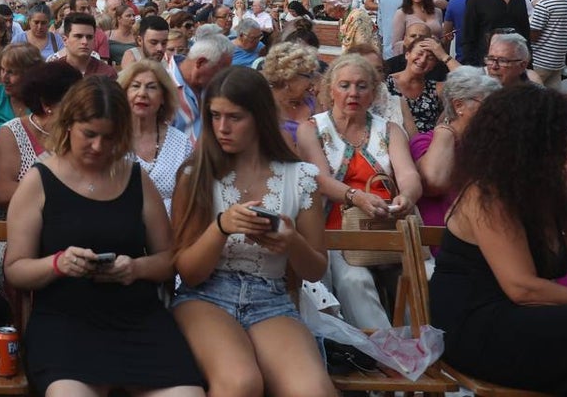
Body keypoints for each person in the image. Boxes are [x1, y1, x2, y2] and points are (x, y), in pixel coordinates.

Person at [4, 76, 205, 397]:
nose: (98, 147)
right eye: (90, 134)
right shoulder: (39, 180)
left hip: (137, 319)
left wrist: (135, 268)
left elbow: (168, 260)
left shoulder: (136, 178)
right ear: (68, 125)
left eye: (109, 138)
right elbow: (15, 268)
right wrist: (58, 264)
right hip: (65, 321)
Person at [171, 67, 332, 397]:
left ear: (259, 117)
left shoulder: (300, 177)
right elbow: (188, 273)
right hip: (206, 296)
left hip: (270, 297)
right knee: (240, 383)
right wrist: (220, 228)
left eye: (234, 117)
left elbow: (316, 269)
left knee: (313, 390)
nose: (222, 128)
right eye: (214, 116)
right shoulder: (196, 174)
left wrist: (292, 241)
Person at [430, 84, 567, 393]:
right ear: (532, 141)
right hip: (476, 327)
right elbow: (522, 288)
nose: (566, 145)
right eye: (560, 136)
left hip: (518, 317)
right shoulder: (488, 193)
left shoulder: (540, 192)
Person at [297, 53, 423, 330]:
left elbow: (408, 175)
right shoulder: (312, 129)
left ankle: (425, 349)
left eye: (361, 86)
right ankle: (384, 355)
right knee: (355, 280)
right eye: (344, 85)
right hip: (337, 233)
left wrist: (408, 196)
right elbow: (320, 179)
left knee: (426, 274)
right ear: (330, 89)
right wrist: (356, 197)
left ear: (374, 91)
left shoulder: (390, 130)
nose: (353, 93)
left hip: (388, 227)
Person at [410, 66, 499, 230]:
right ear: (459, 105)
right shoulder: (425, 142)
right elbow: (434, 182)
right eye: (488, 104)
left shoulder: (492, 146)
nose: (496, 112)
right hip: (440, 242)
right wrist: (445, 132)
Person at [0, 59, 81, 211]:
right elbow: (1, 193)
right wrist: (63, 195)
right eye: (73, 101)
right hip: (20, 219)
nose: (80, 106)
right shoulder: (13, 132)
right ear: (47, 104)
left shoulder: (80, 132)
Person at [118, 59, 193, 217]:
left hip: (172, 232)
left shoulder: (180, 142)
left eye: (151, 87)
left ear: (163, 97)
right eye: (135, 86)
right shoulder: (110, 139)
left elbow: (191, 199)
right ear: (124, 93)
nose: (142, 93)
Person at [168, 33, 234, 143]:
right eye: (221, 70)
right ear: (201, 63)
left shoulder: (213, 87)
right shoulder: (162, 86)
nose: (224, 77)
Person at [260, 41, 320, 149]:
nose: (312, 81)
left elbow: (326, 135)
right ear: (289, 77)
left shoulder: (312, 101)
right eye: (309, 75)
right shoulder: (265, 104)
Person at [385, 39, 445, 134]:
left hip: (427, 145)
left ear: (434, 65)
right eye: (420, 53)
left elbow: (471, 88)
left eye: (430, 58)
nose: (423, 60)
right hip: (392, 141)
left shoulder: (436, 88)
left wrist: (444, 56)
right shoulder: (386, 83)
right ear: (407, 54)